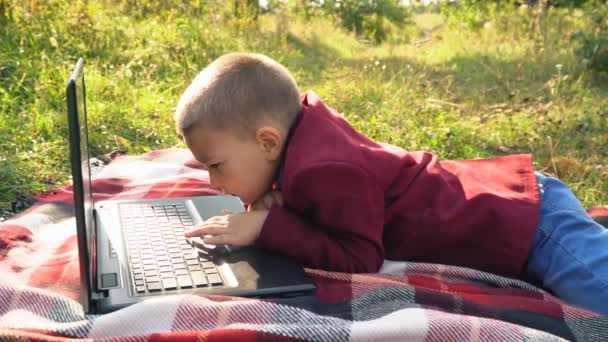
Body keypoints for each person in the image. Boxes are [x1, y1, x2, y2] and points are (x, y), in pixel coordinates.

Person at [174, 52, 608, 315]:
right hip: (515, 205)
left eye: (216, 165)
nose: (213, 182)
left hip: (532, 225)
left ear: (268, 141)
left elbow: (361, 256)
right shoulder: (299, 138)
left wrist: (266, 227)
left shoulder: (323, 168)